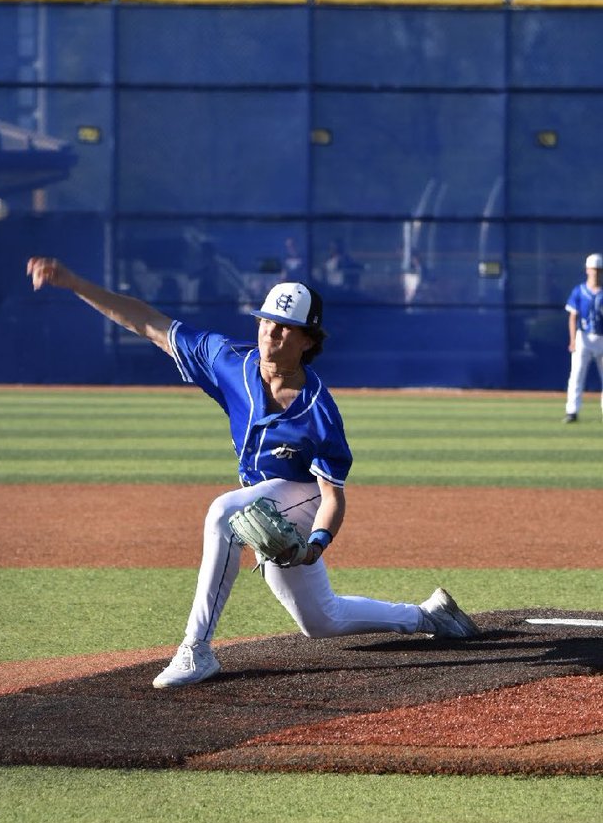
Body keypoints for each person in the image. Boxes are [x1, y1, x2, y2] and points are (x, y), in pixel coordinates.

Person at [26, 257, 480, 688]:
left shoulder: (318, 412)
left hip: (305, 498)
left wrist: (314, 547)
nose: (270, 333)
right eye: (265, 321)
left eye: (284, 327)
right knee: (321, 620)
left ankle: (196, 648)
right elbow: (148, 323)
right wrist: (74, 283)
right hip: (262, 502)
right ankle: (428, 615)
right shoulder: (229, 362)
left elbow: (332, 497)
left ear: (308, 340)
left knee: (224, 512)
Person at [563, 252, 603, 424]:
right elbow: (573, 316)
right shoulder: (579, 291)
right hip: (583, 337)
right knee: (577, 375)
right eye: (593, 269)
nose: (595, 273)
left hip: (602, 337)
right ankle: (572, 411)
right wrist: (572, 340)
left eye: (599, 270)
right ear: (587, 270)